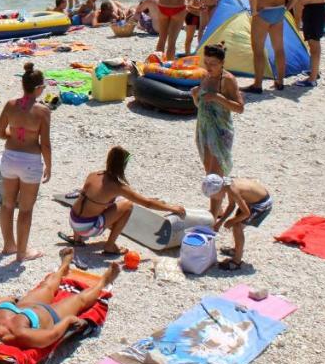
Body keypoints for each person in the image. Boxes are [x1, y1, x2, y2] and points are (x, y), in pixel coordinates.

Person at [0, 250, 119, 353]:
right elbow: (50, 337)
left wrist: (6, 300)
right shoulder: (18, 334)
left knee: (47, 285)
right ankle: (104, 281)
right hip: (50, 315)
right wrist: (68, 321)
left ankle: (64, 266)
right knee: (79, 299)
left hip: (26, 305)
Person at [61, 146, 185, 254]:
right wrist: (171, 207)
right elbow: (147, 203)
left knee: (91, 202)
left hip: (73, 220)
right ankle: (109, 246)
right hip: (87, 228)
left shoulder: (93, 175)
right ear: (122, 166)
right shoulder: (117, 187)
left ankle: (77, 238)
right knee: (128, 205)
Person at [0, 63, 52, 263]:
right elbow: (45, 144)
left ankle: (9, 245)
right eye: (43, 87)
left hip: (10, 157)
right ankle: (22, 252)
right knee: (26, 209)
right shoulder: (42, 111)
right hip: (30, 161)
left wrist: (14, 133)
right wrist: (49, 166)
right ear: (37, 89)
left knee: (7, 204)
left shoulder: (10, 105)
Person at [191, 44, 245, 216]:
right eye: (206, 62)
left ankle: (212, 218)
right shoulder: (206, 76)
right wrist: (195, 97)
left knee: (215, 175)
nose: (208, 66)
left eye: (213, 63)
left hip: (220, 132)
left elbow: (239, 108)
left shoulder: (227, 80)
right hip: (204, 129)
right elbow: (201, 105)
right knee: (210, 173)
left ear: (222, 63)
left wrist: (218, 97)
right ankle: (217, 207)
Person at [247, 0, 299, 93]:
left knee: (258, 49)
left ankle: (257, 84)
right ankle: (280, 82)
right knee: (279, 48)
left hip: (264, 13)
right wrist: (288, 8)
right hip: (278, 11)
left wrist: (254, 11)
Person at [203, 174, 272, 271]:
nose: (215, 199)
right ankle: (236, 250)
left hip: (262, 205)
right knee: (236, 224)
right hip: (252, 202)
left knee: (237, 226)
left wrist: (232, 221)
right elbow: (231, 206)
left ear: (219, 189)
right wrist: (220, 222)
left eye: (214, 196)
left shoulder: (233, 191)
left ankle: (236, 262)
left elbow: (246, 213)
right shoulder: (227, 184)